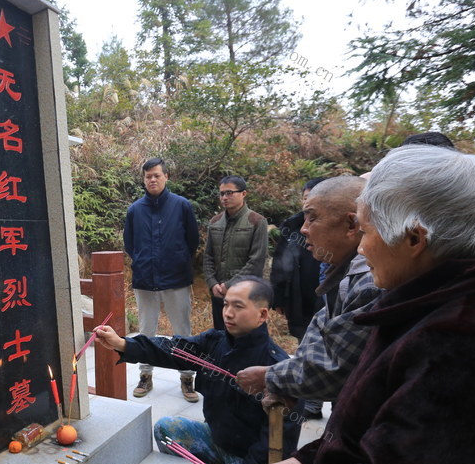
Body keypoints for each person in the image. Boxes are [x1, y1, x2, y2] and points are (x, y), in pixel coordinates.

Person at [233, 146, 475, 464]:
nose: (361, 248)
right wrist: (310, 460)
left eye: (366, 232)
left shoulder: (463, 344)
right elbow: (390, 434)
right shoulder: (429, 305)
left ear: (414, 238)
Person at [94, 276, 300, 464]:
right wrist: (123, 344)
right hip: (218, 439)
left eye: (238, 306)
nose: (228, 313)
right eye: (226, 304)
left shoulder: (277, 370)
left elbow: (277, 446)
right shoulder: (215, 342)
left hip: (252, 460)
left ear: (262, 315)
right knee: (166, 430)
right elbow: (173, 349)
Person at [236, 176, 384, 414]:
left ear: (351, 225)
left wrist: (270, 377)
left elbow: (338, 369)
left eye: (312, 218)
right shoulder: (344, 271)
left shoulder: (372, 282)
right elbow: (321, 327)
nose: (303, 229)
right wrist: (289, 382)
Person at [123, 157, 200, 400]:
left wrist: (177, 260)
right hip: (145, 280)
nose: (152, 180)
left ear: (166, 176)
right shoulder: (135, 210)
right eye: (148, 176)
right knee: (146, 331)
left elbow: (192, 241)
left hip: (176, 279)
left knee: (182, 331)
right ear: (143, 180)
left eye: (157, 175)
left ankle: (187, 377)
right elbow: (130, 244)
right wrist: (143, 261)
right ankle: (145, 376)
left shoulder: (181, 205)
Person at [203, 176, 267, 331]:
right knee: (221, 335)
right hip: (219, 294)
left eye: (229, 193)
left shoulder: (256, 221)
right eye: (222, 193)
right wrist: (212, 283)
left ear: (243, 193)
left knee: (245, 335)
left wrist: (229, 285)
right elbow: (208, 256)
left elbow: (256, 262)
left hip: (245, 294)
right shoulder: (215, 222)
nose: (224, 197)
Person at [270, 177, 328, 339]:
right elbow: (279, 263)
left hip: (324, 298)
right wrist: (278, 298)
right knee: (302, 339)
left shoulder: (333, 228)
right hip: (298, 296)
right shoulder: (292, 227)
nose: (307, 203)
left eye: (313, 197)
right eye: (305, 198)